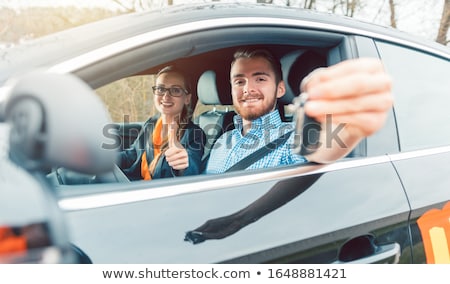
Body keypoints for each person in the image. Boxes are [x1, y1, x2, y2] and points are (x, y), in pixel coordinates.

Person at [205, 48, 393, 174]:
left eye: (260, 79)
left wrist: (343, 123)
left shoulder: (291, 139)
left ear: (280, 89)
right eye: (239, 81)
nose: (247, 89)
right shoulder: (222, 139)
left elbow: (319, 148)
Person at [118, 66, 206, 181]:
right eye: (160, 89)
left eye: (175, 90)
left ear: (187, 99)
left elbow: (191, 167)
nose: (166, 96)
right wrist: (104, 159)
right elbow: (132, 155)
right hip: (135, 185)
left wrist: (182, 165)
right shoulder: (151, 124)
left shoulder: (194, 134)